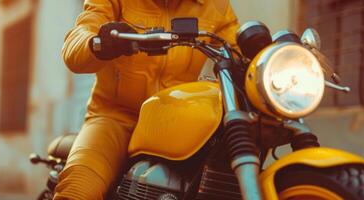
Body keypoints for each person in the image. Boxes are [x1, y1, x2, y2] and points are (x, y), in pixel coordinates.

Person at [55, 0, 240, 199]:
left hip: (175, 122)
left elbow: (240, 49)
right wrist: (97, 43)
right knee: (79, 189)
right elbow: (78, 39)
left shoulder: (215, 5)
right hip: (115, 119)